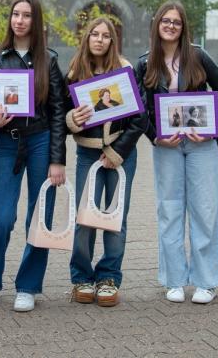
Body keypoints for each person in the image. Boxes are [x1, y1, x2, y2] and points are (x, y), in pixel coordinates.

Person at [136, 0, 218, 305]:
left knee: (205, 210)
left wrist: (211, 128)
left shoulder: (198, 55)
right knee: (170, 210)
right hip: (167, 146)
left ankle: (206, 281)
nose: (170, 26)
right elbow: (139, 109)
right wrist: (155, 136)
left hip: (202, 144)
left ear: (183, 27)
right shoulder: (145, 63)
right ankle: (174, 280)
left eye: (176, 22)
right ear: (157, 24)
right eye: (166, 21)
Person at [0, 0, 66, 313]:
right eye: (15, 14)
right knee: (1, 219)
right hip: (7, 142)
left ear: (35, 20)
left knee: (39, 215)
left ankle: (28, 286)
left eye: (26, 15)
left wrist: (57, 159)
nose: (19, 20)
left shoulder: (49, 60)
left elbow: (58, 112)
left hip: (41, 141)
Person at [66, 17, 146, 307]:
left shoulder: (125, 70)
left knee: (115, 218)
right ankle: (82, 278)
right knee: (85, 218)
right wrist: (71, 119)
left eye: (105, 35)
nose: (99, 40)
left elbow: (141, 118)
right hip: (87, 154)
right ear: (87, 38)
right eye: (95, 34)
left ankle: (109, 277)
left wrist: (118, 150)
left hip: (121, 154)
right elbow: (62, 115)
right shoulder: (74, 72)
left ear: (113, 41)